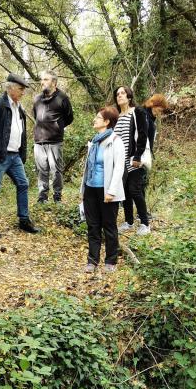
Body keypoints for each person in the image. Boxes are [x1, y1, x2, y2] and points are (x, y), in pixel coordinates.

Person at [0, 73, 39, 238]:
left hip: (15, 157)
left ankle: (24, 220)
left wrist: (22, 155)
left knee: (23, 184)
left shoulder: (19, 108)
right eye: (20, 89)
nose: (23, 92)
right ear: (10, 88)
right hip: (0, 155)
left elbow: (21, 133)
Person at [80, 106, 126, 273]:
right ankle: (92, 261)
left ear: (107, 122)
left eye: (98, 118)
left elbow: (119, 168)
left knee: (109, 226)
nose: (95, 120)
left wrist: (111, 191)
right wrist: (83, 190)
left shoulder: (116, 141)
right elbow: (87, 169)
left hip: (107, 191)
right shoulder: (95, 141)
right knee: (92, 226)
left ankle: (111, 261)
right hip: (91, 189)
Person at [113, 85, 150, 236]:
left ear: (129, 96)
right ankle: (128, 222)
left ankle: (145, 223)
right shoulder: (116, 116)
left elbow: (142, 134)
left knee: (135, 190)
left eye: (123, 93)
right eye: (117, 94)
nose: (120, 96)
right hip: (119, 160)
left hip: (134, 158)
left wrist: (137, 156)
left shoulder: (137, 112)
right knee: (125, 192)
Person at [32, 70, 73, 203]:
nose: (42, 82)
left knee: (56, 171)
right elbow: (36, 116)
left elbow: (69, 117)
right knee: (41, 170)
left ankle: (57, 197)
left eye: (46, 79)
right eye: (42, 79)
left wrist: (57, 126)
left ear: (54, 82)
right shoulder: (37, 99)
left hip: (55, 141)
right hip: (39, 141)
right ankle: (42, 197)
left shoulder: (62, 98)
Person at [142, 93, 168, 221]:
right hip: (140, 155)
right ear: (154, 104)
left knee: (143, 184)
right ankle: (141, 214)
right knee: (139, 185)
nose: (160, 112)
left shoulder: (151, 117)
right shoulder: (144, 115)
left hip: (146, 154)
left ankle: (142, 212)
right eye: (160, 108)